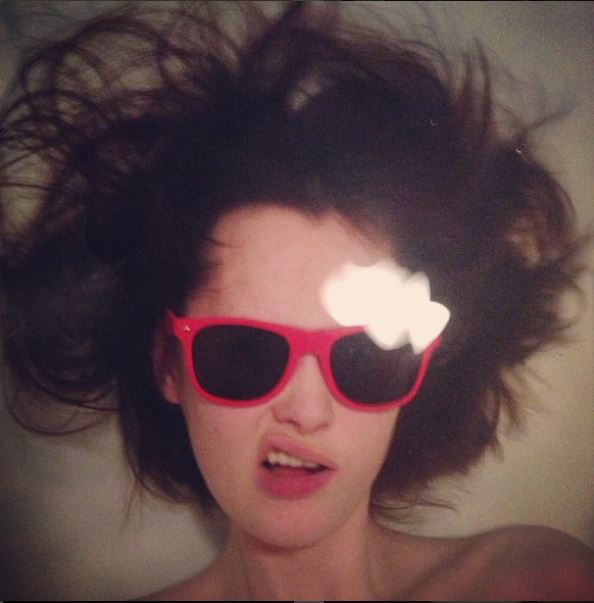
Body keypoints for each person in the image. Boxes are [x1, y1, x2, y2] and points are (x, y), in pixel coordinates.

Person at [0, 1, 592, 600]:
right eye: (244, 353)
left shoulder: (543, 583)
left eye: (364, 357)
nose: (307, 413)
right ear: (166, 363)